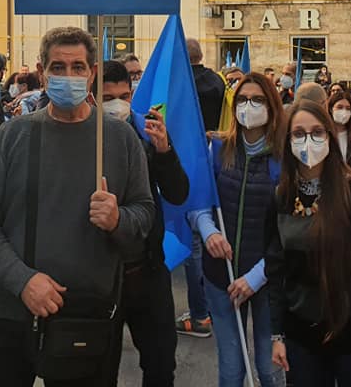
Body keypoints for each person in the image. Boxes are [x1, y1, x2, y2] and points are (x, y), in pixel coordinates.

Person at [0, 27, 155, 386]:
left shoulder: (120, 139)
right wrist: (22, 280)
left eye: (78, 67)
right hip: (7, 315)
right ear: (41, 71)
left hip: (87, 317)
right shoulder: (11, 137)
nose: (69, 76)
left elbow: (144, 213)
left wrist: (118, 220)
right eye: (58, 67)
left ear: (92, 73)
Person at [266, 100, 351, 386]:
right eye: (298, 133)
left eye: (317, 132)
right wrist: (277, 334)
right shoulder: (281, 197)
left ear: (329, 136)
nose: (308, 140)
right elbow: (277, 270)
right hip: (301, 333)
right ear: (288, 141)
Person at [191, 72, 286, 387]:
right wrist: (209, 233)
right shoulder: (218, 148)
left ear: (271, 105)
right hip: (222, 274)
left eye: (257, 100)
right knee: (232, 369)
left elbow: (291, 229)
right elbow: (199, 203)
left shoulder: (284, 158)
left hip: (267, 280)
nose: (249, 106)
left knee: (268, 366)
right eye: (243, 99)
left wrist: (257, 276)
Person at [101, 60, 189, 386]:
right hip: (100, 278)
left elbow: (178, 193)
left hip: (147, 272)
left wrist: (164, 152)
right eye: (108, 97)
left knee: (161, 365)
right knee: (98, 369)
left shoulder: (147, 130)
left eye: (124, 96)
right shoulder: (82, 138)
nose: (118, 105)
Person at [178, 37, 224, 339]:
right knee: (211, 231)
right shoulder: (217, 82)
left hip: (185, 159)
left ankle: (200, 313)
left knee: (194, 241)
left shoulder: (180, 83)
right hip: (214, 156)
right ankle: (211, 307)